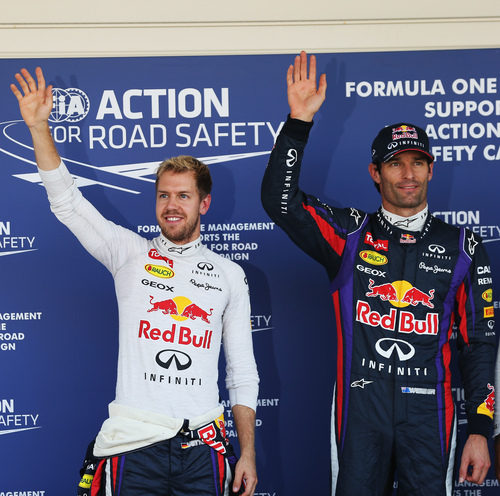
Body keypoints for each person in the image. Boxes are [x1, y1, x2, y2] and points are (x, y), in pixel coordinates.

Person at [11, 67, 259, 496]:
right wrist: (37, 128)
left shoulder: (229, 275)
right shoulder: (129, 253)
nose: (171, 205)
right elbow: (67, 202)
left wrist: (249, 454)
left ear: (205, 202)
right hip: (132, 445)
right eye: (163, 195)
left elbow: (242, 372)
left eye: (183, 195)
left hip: (204, 448)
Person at [261, 51, 496, 495]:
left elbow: (479, 345)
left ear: (431, 169)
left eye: (417, 162)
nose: (408, 174)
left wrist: (481, 429)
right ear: (375, 172)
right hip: (360, 414)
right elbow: (280, 201)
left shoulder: (463, 245)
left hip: (431, 417)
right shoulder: (350, 234)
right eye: (394, 163)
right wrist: (298, 122)